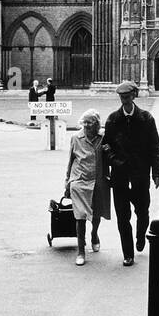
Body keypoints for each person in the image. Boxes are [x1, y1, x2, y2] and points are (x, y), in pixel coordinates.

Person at [103, 81, 159, 266]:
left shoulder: (146, 118)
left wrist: (158, 172)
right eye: (122, 97)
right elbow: (106, 146)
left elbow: (155, 147)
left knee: (142, 212)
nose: (125, 100)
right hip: (120, 175)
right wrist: (114, 160)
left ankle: (140, 236)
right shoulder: (113, 119)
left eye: (128, 97)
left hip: (140, 174)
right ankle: (127, 254)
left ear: (134, 96)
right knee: (122, 216)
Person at [63, 110, 111, 265]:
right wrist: (67, 182)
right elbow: (71, 161)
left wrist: (108, 151)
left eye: (90, 124)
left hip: (97, 180)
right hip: (79, 181)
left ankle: (94, 234)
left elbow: (111, 159)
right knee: (80, 216)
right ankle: (81, 251)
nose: (87, 127)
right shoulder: (76, 138)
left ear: (96, 125)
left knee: (96, 213)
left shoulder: (103, 138)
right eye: (85, 124)